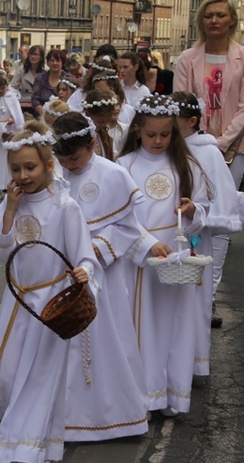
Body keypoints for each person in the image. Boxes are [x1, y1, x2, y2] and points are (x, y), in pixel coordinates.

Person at [0, 121, 99, 463]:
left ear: (49, 165)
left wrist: (84, 273)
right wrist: (11, 211)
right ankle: (15, 440)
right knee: (9, 375)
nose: (23, 175)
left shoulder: (65, 207)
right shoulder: (10, 204)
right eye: (15, 168)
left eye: (30, 167)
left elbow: (85, 254)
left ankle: (38, 451)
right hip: (17, 302)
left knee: (41, 377)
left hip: (50, 306)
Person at [50, 111, 149, 441]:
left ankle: (113, 415)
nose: (69, 166)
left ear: (92, 144)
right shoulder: (55, 174)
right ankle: (60, 417)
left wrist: (91, 252)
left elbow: (127, 227)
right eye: (61, 159)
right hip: (61, 272)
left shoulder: (112, 174)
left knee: (107, 340)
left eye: (75, 159)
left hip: (100, 273)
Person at [116, 94, 210, 417]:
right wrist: (146, 243)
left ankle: (171, 394)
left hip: (175, 259)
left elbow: (202, 210)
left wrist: (192, 209)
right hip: (139, 262)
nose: (158, 141)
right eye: (151, 134)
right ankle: (144, 397)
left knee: (174, 327)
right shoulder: (123, 166)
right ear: (137, 130)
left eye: (165, 134)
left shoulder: (185, 164)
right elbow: (119, 217)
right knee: (141, 327)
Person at [174, 0, 244, 326]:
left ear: (232, 20)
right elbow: (180, 103)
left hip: (232, 149)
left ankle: (208, 298)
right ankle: (185, 289)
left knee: (219, 224)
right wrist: (199, 143)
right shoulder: (187, 58)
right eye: (208, 15)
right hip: (190, 148)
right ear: (200, 21)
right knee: (190, 217)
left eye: (221, 14)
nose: (214, 20)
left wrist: (218, 145)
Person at [172, 90, 242, 349]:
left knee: (197, 293)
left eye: (175, 117)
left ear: (192, 120)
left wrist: (200, 211)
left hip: (199, 231)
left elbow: (220, 197)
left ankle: (192, 351)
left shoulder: (209, 153)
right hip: (172, 228)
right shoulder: (166, 146)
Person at [78, 89, 119, 159]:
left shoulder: (104, 135)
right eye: (100, 121)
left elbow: (113, 154)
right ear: (87, 114)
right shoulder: (78, 134)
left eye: (107, 121)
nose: (104, 125)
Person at [10, 45, 46, 119]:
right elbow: (12, 87)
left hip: (41, 105)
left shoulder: (46, 71)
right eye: (31, 54)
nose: (33, 57)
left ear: (41, 57)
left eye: (35, 54)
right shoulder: (22, 70)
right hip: (24, 103)